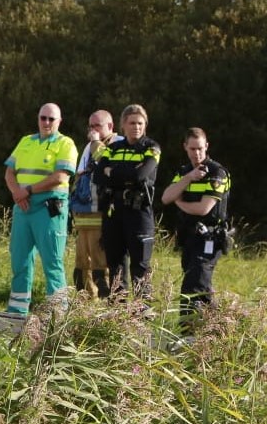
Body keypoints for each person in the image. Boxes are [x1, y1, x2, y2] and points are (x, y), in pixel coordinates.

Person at [3, 103, 78, 315]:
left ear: (59, 121)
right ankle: (17, 312)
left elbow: (61, 176)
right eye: (43, 118)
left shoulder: (65, 143)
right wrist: (18, 192)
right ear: (37, 119)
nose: (46, 123)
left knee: (52, 261)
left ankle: (58, 314)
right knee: (20, 259)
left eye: (51, 119)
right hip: (23, 205)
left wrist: (27, 190)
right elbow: (9, 173)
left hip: (48, 207)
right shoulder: (26, 141)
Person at [161, 127, 231, 319]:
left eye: (200, 148)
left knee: (194, 285)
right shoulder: (184, 172)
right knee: (202, 287)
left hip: (210, 238)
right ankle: (220, 327)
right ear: (185, 147)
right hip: (189, 238)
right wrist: (189, 178)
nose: (197, 153)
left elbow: (203, 209)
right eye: (192, 149)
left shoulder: (217, 173)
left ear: (207, 146)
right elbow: (166, 197)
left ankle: (187, 330)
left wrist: (180, 201)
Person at [94, 104, 161, 298]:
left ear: (145, 125)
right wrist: (126, 173)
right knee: (116, 267)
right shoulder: (112, 148)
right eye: (132, 123)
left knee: (140, 268)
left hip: (139, 212)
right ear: (123, 125)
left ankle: (142, 318)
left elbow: (141, 175)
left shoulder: (151, 147)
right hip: (114, 212)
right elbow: (98, 175)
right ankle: (119, 317)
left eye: (140, 123)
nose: (136, 127)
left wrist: (112, 172)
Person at [69, 110, 116, 297]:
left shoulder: (116, 143)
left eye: (97, 125)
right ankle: (84, 303)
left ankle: (103, 306)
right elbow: (79, 176)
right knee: (81, 263)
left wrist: (95, 142)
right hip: (83, 213)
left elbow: (105, 163)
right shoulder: (90, 146)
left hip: (101, 214)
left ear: (110, 126)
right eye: (90, 126)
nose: (92, 130)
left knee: (99, 263)